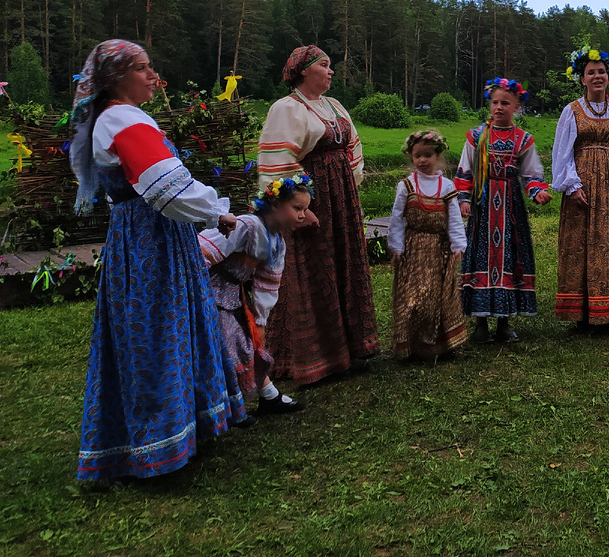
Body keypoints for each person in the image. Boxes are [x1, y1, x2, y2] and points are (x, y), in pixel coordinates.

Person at [69, 40, 247, 481]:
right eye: (144, 69)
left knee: (170, 325)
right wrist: (216, 212)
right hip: (150, 242)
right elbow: (165, 186)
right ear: (115, 78)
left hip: (153, 236)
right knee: (156, 330)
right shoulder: (120, 119)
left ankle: (179, 429)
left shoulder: (121, 118)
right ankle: (157, 443)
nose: (154, 76)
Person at [258, 45, 378, 385]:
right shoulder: (286, 109)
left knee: (344, 263)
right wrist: (300, 209)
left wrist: (350, 190)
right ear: (303, 71)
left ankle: (352, 348)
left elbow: (353, 148)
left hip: (342, 200)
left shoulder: (334, 106)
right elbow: (277, 164)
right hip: (313, 202)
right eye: (324, 65)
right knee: (314, 270)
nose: (331, 71)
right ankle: (317, 359)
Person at [198, 173, 315, 416]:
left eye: (305, 209)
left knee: (245, 344)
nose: (303, 215)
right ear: (275, 204)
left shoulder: (277, 242)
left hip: (232, 296)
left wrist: (260, 320)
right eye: (297, 208)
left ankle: (263, 398)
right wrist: (192, 293)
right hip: (208, 291)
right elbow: (203, 251)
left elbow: (267, 285)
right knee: (229, 345)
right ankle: (222, 409)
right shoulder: (246, 226)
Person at [552, 45, 609, 334]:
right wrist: (571, 185)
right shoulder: (572, 111)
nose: (597, 76)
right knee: (581, 245)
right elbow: (562, 152)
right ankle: (584, 316)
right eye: (591, 72)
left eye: (602, 71)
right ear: (582, 79)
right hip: (584, 185)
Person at [455, 77, 552, 343]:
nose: (499, 107)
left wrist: (537, 191)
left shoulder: (523, 140)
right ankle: (480, 323)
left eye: (505, 103)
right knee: (481, 257)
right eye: (495, 102)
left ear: (517, 106)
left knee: (509, 256)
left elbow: (531, 174)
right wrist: (464, 199)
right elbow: (465, 171)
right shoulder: (476, 137)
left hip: (510, 207)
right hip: (482, 206)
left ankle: (504, 323)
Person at [388, 130, 469, 359]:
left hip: (438, 250)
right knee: (414, 297)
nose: (422, 160)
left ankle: (439, 345)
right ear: (411, 157)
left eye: (428, 155)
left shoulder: (446, 186)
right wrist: (396, 247)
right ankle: (413, 344)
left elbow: (454, 218)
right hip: (413, 249)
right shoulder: (406, 186)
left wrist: (457, 245)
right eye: (417, 156)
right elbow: (398, 218)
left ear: (438, 156)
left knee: (437, 296)